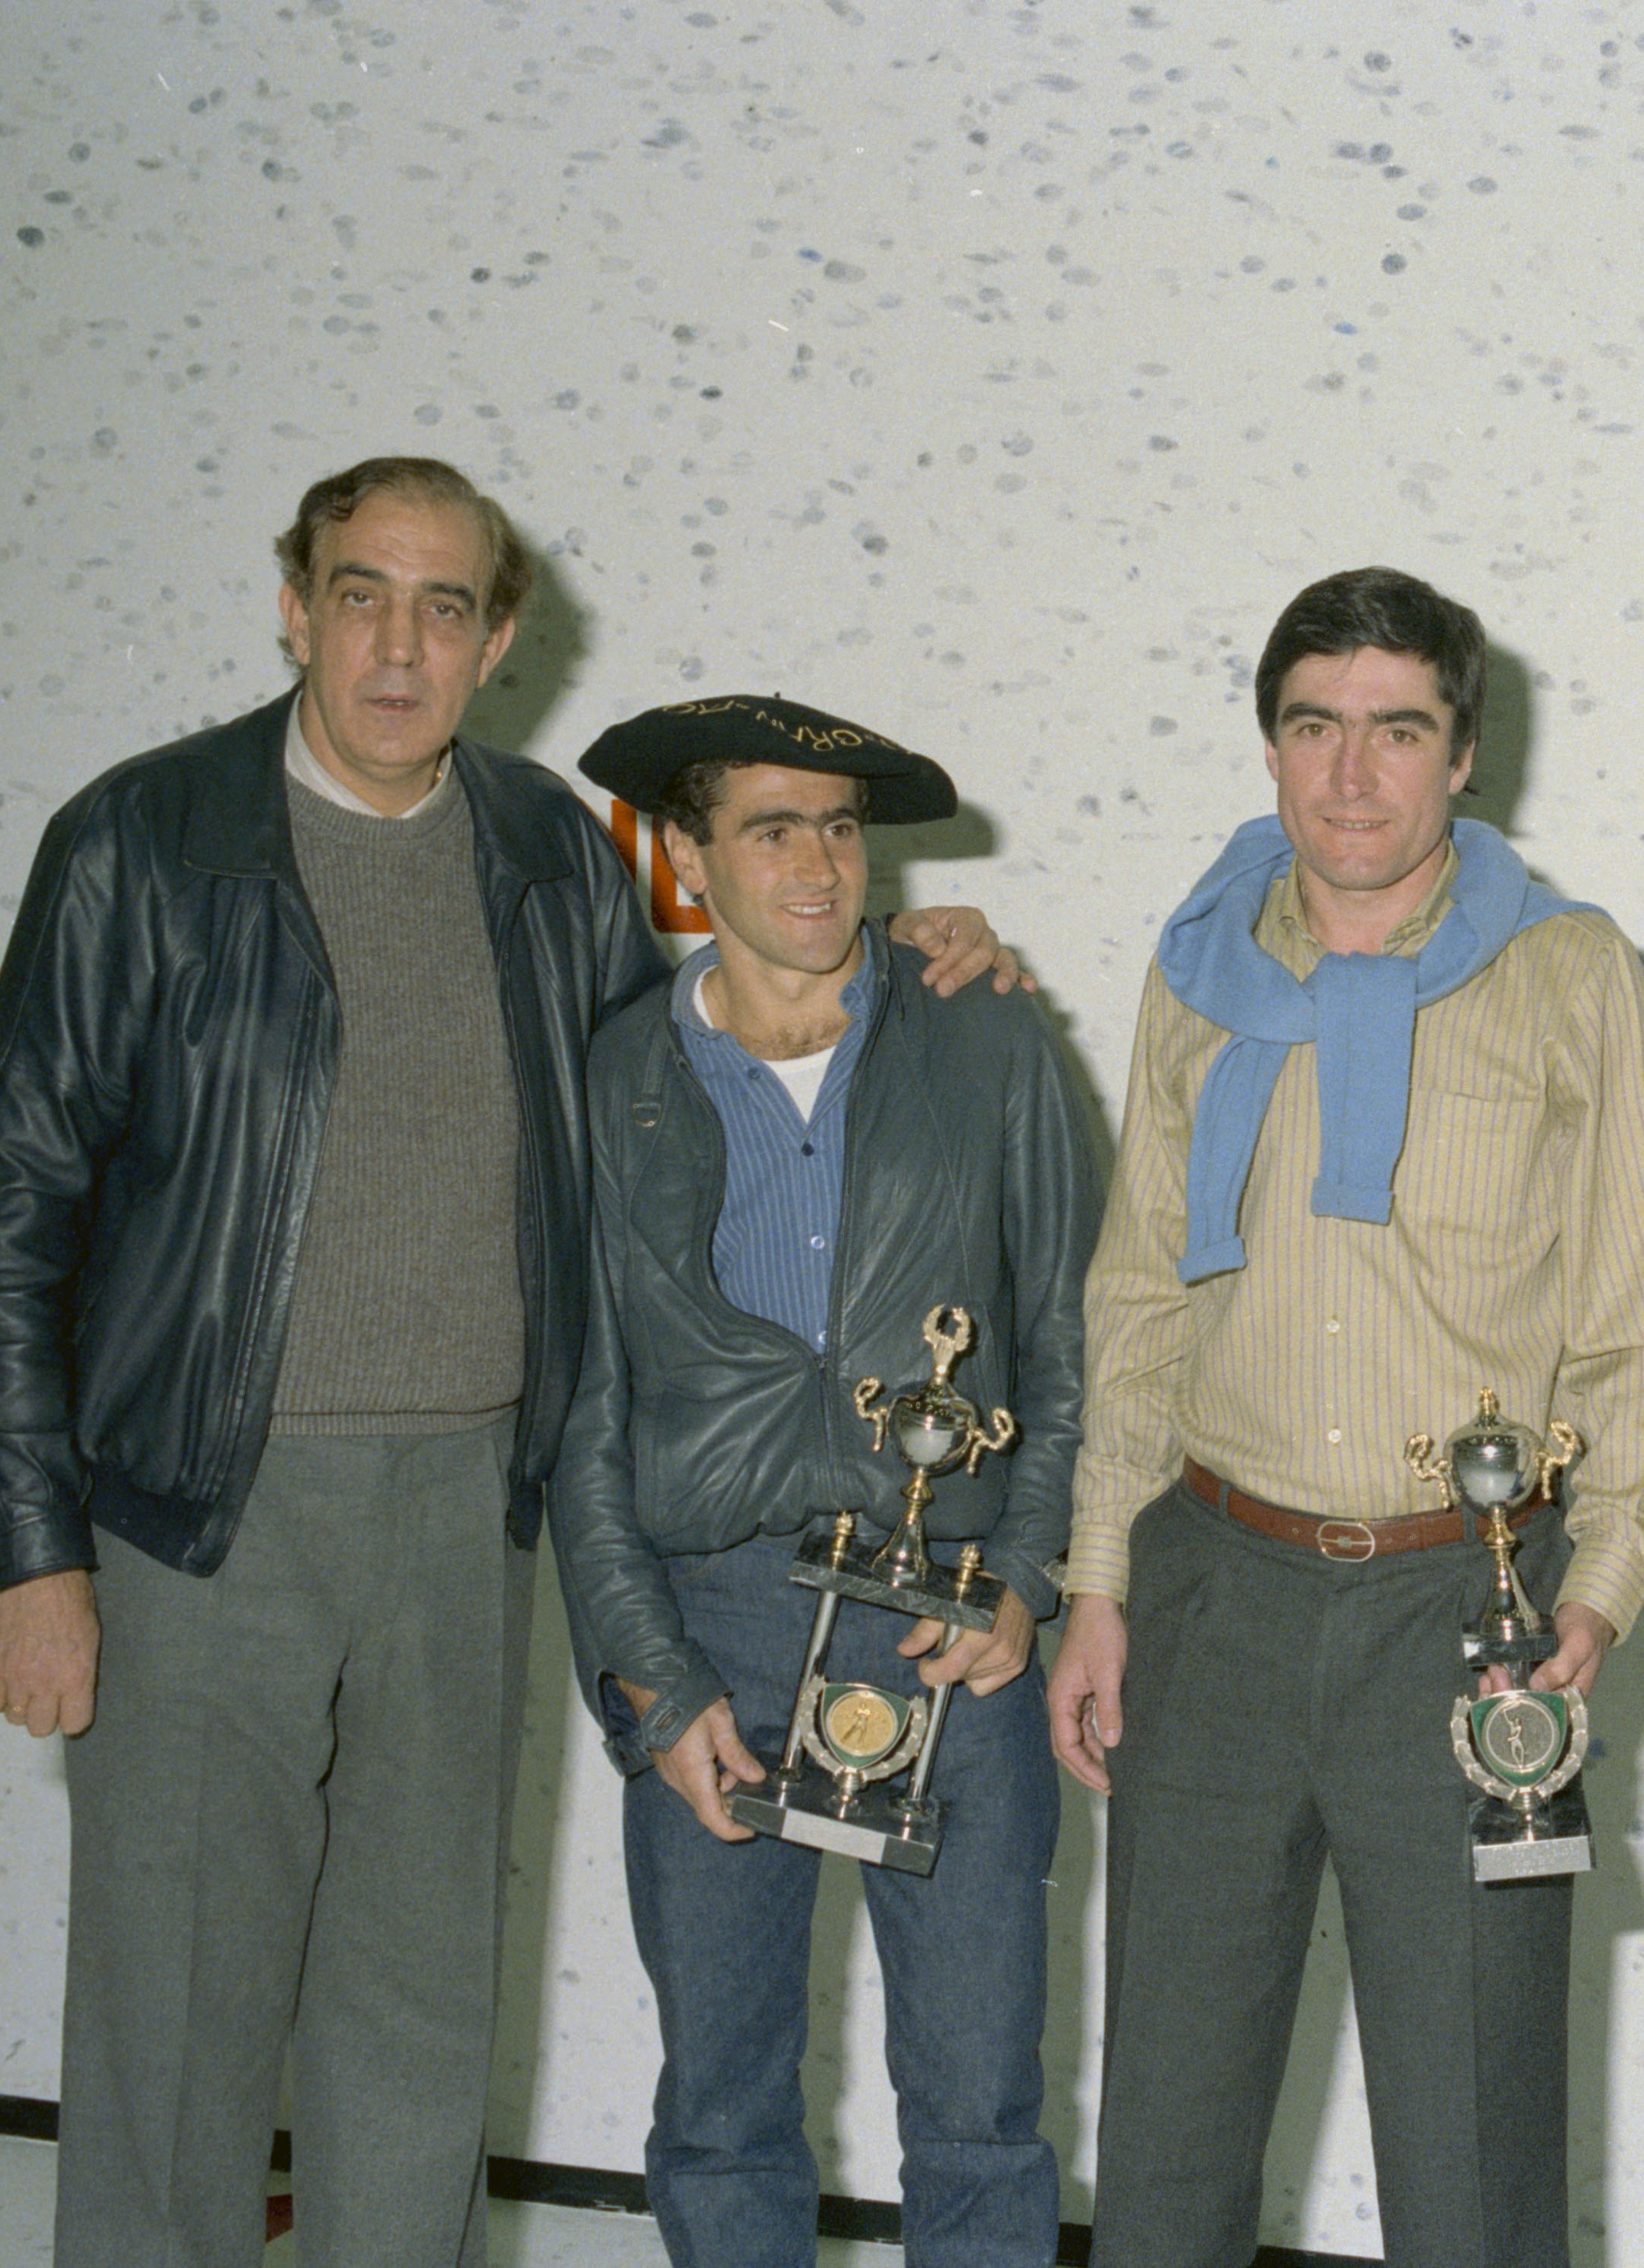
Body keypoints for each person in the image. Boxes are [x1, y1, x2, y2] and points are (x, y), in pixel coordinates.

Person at [0, 457, 1013, 2268]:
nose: (397, 645)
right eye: (361, 593)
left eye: (444, 608)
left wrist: (884, 953)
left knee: (420, 2020)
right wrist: (31, 1546)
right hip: (198, 1518)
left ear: (499, 641)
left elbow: (681, 1058)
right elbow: (6, 1205)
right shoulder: (143, 839)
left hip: (463, 1512)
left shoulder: (541, 846)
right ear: (295, 606)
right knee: (176, 2026)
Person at [1045, 566, 1644, 2268]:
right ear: (1269, 745)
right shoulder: (1199, 965)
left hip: (1465, 1615)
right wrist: (1097, 1579)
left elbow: (1633, 1318)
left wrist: (1602, 1584)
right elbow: (1137, 1295)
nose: (1350, 774)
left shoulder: (1568, 974)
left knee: (1473, 2151)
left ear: (1464, 755)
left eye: (1397, 731)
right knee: (1164, 2139)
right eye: (1314, 726)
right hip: (1211, 1596)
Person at [547, 695, 1097, 2268]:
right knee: (721, 2105)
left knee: (982, 2107)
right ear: (685, 854)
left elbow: (1073, 1343)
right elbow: (585, 1411)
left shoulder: (986, 1034)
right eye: (771, 826)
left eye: (842, 827)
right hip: (713, 1630)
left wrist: (1026, 1578)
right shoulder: (614, 1074)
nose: (817, 863)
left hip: (949, 1628)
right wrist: (649, 1678)